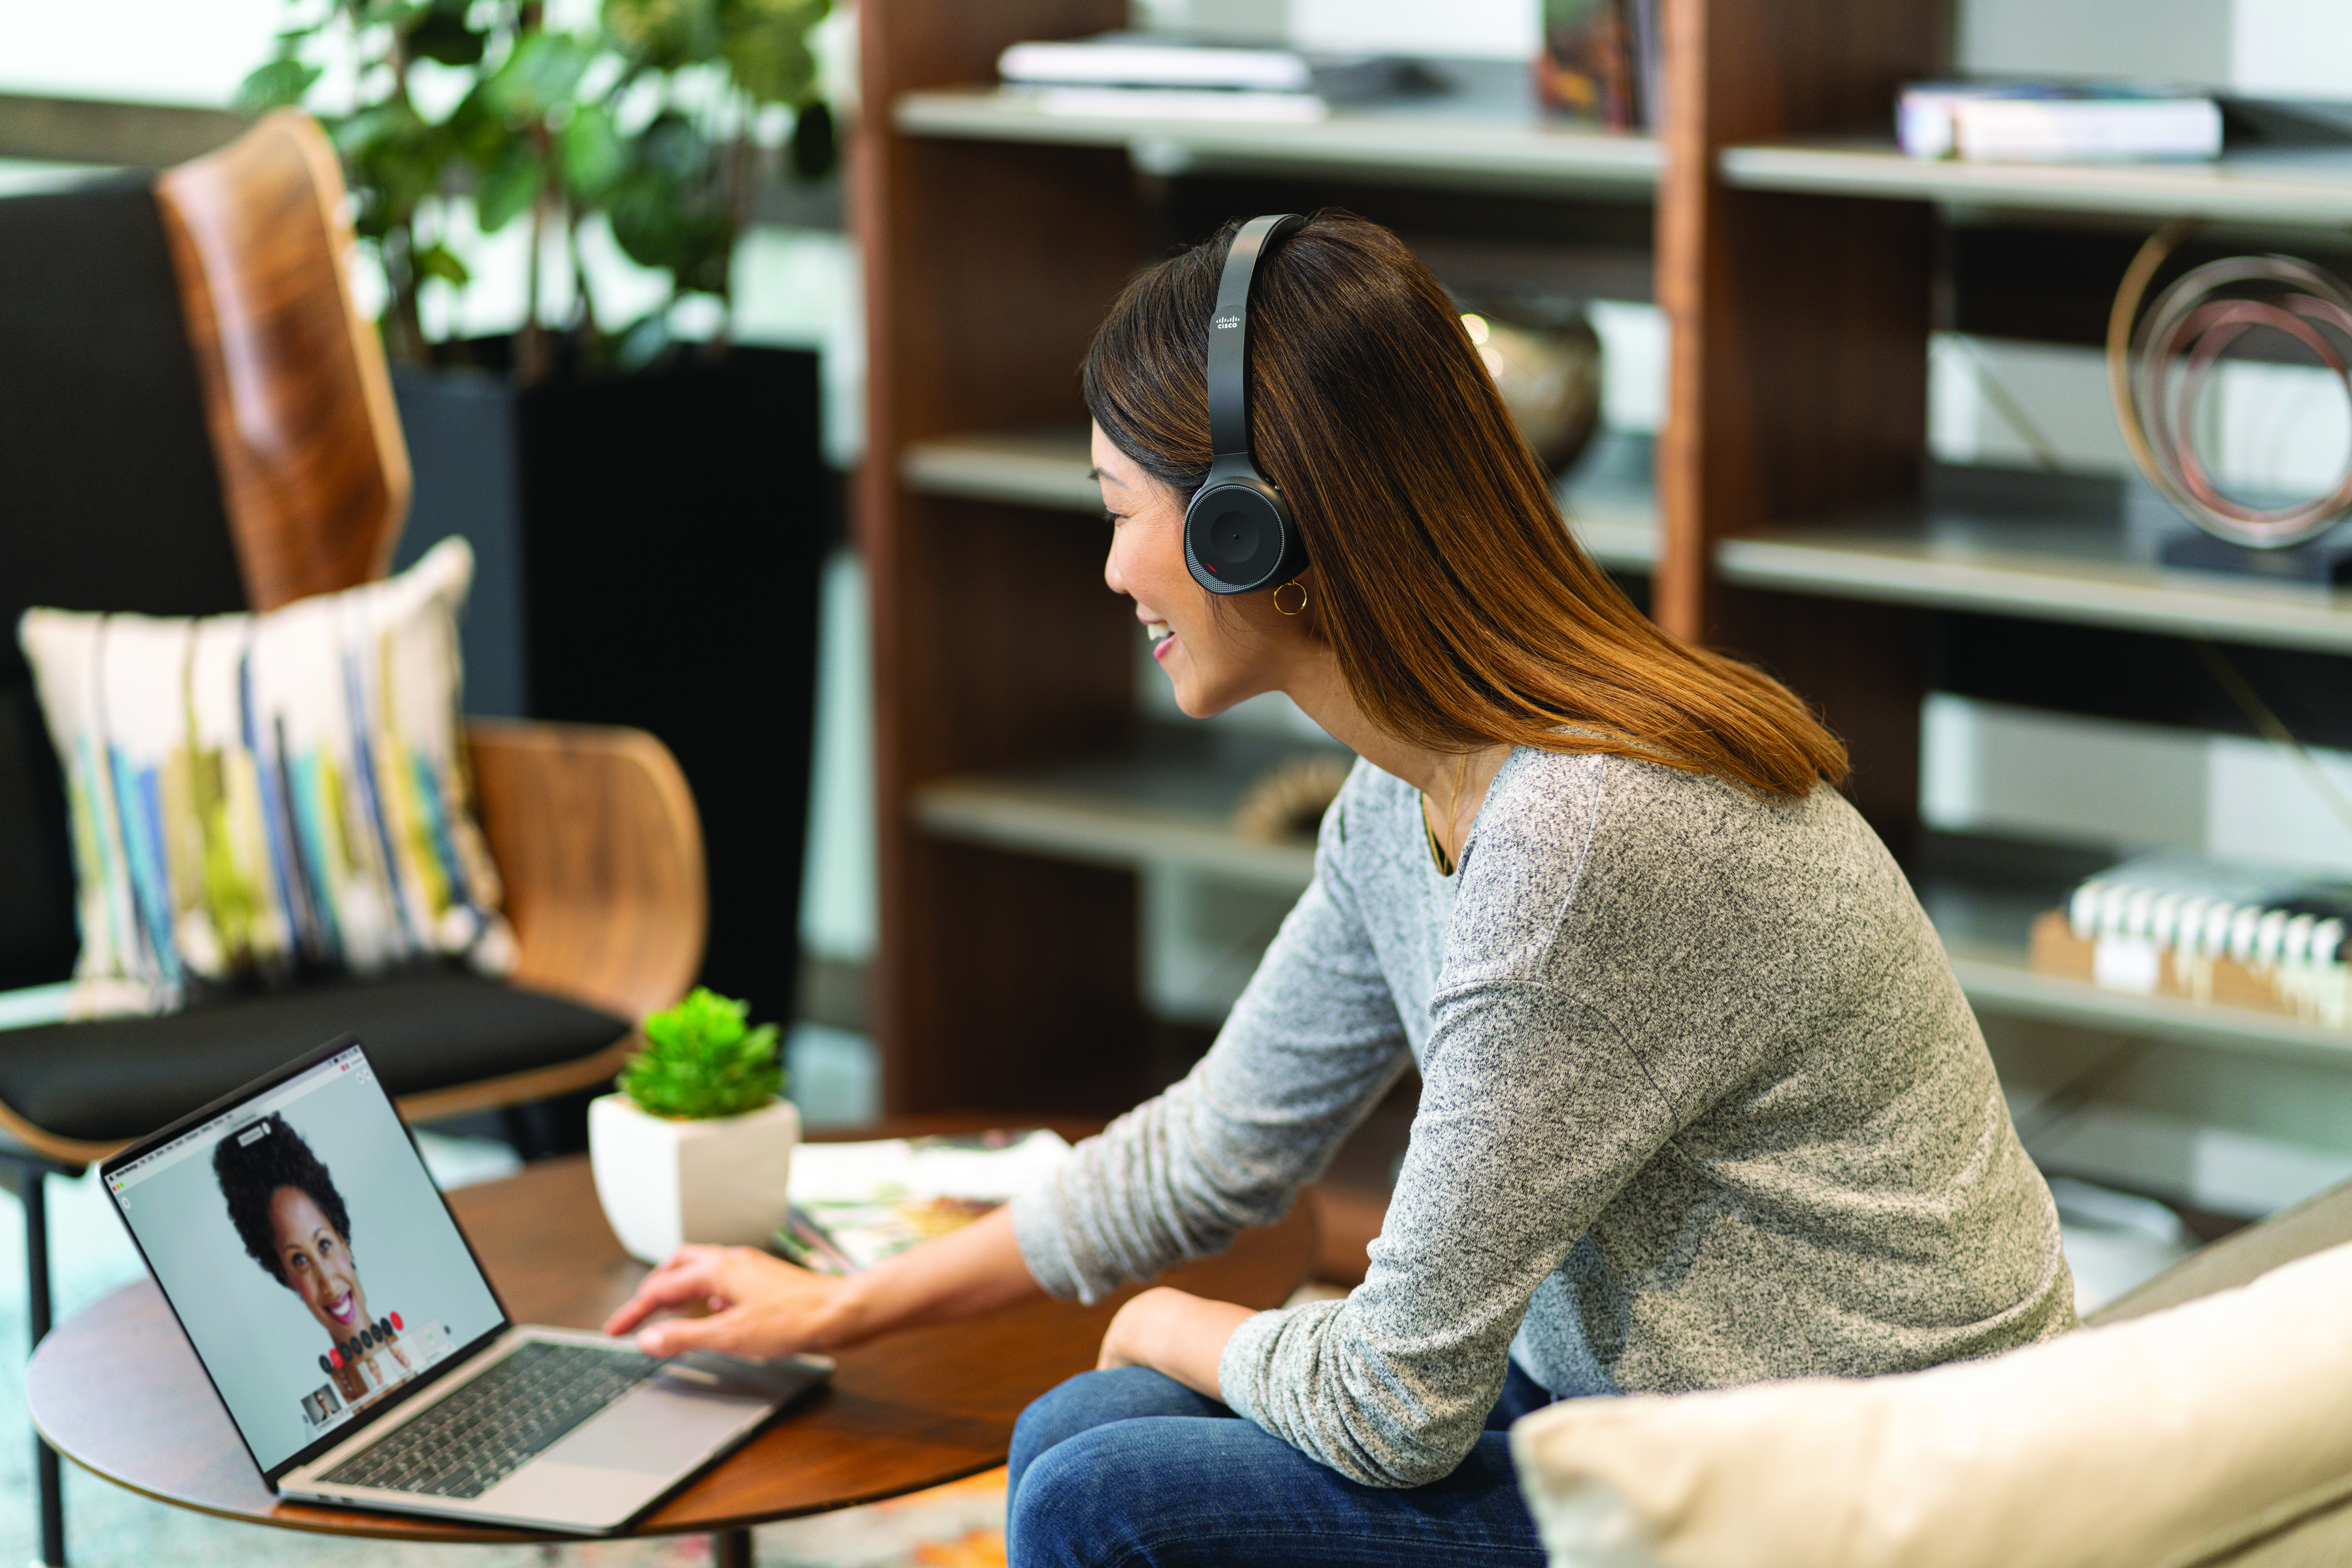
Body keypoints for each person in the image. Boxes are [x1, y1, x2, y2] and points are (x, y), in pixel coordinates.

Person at [604, 211, 2076, 1565]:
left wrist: (1174, 1324)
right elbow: (1219, 1146)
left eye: (1125, 510)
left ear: (1257, 525)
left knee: (1095, 1494)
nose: (1114, 572)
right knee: (1076, 1435)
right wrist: (837, 1306)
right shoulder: (1411, 793)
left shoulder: (1578, 844)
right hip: (1676, 1407)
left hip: (1858, 1487)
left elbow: (1391, 1406)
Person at [215, 1111, 410, 1402]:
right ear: (287, 1277)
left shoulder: (430, 1351)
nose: (329, 1285)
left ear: (343, 1242)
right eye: (300, 1261)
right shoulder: (324, 1413)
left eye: (324, 1245)